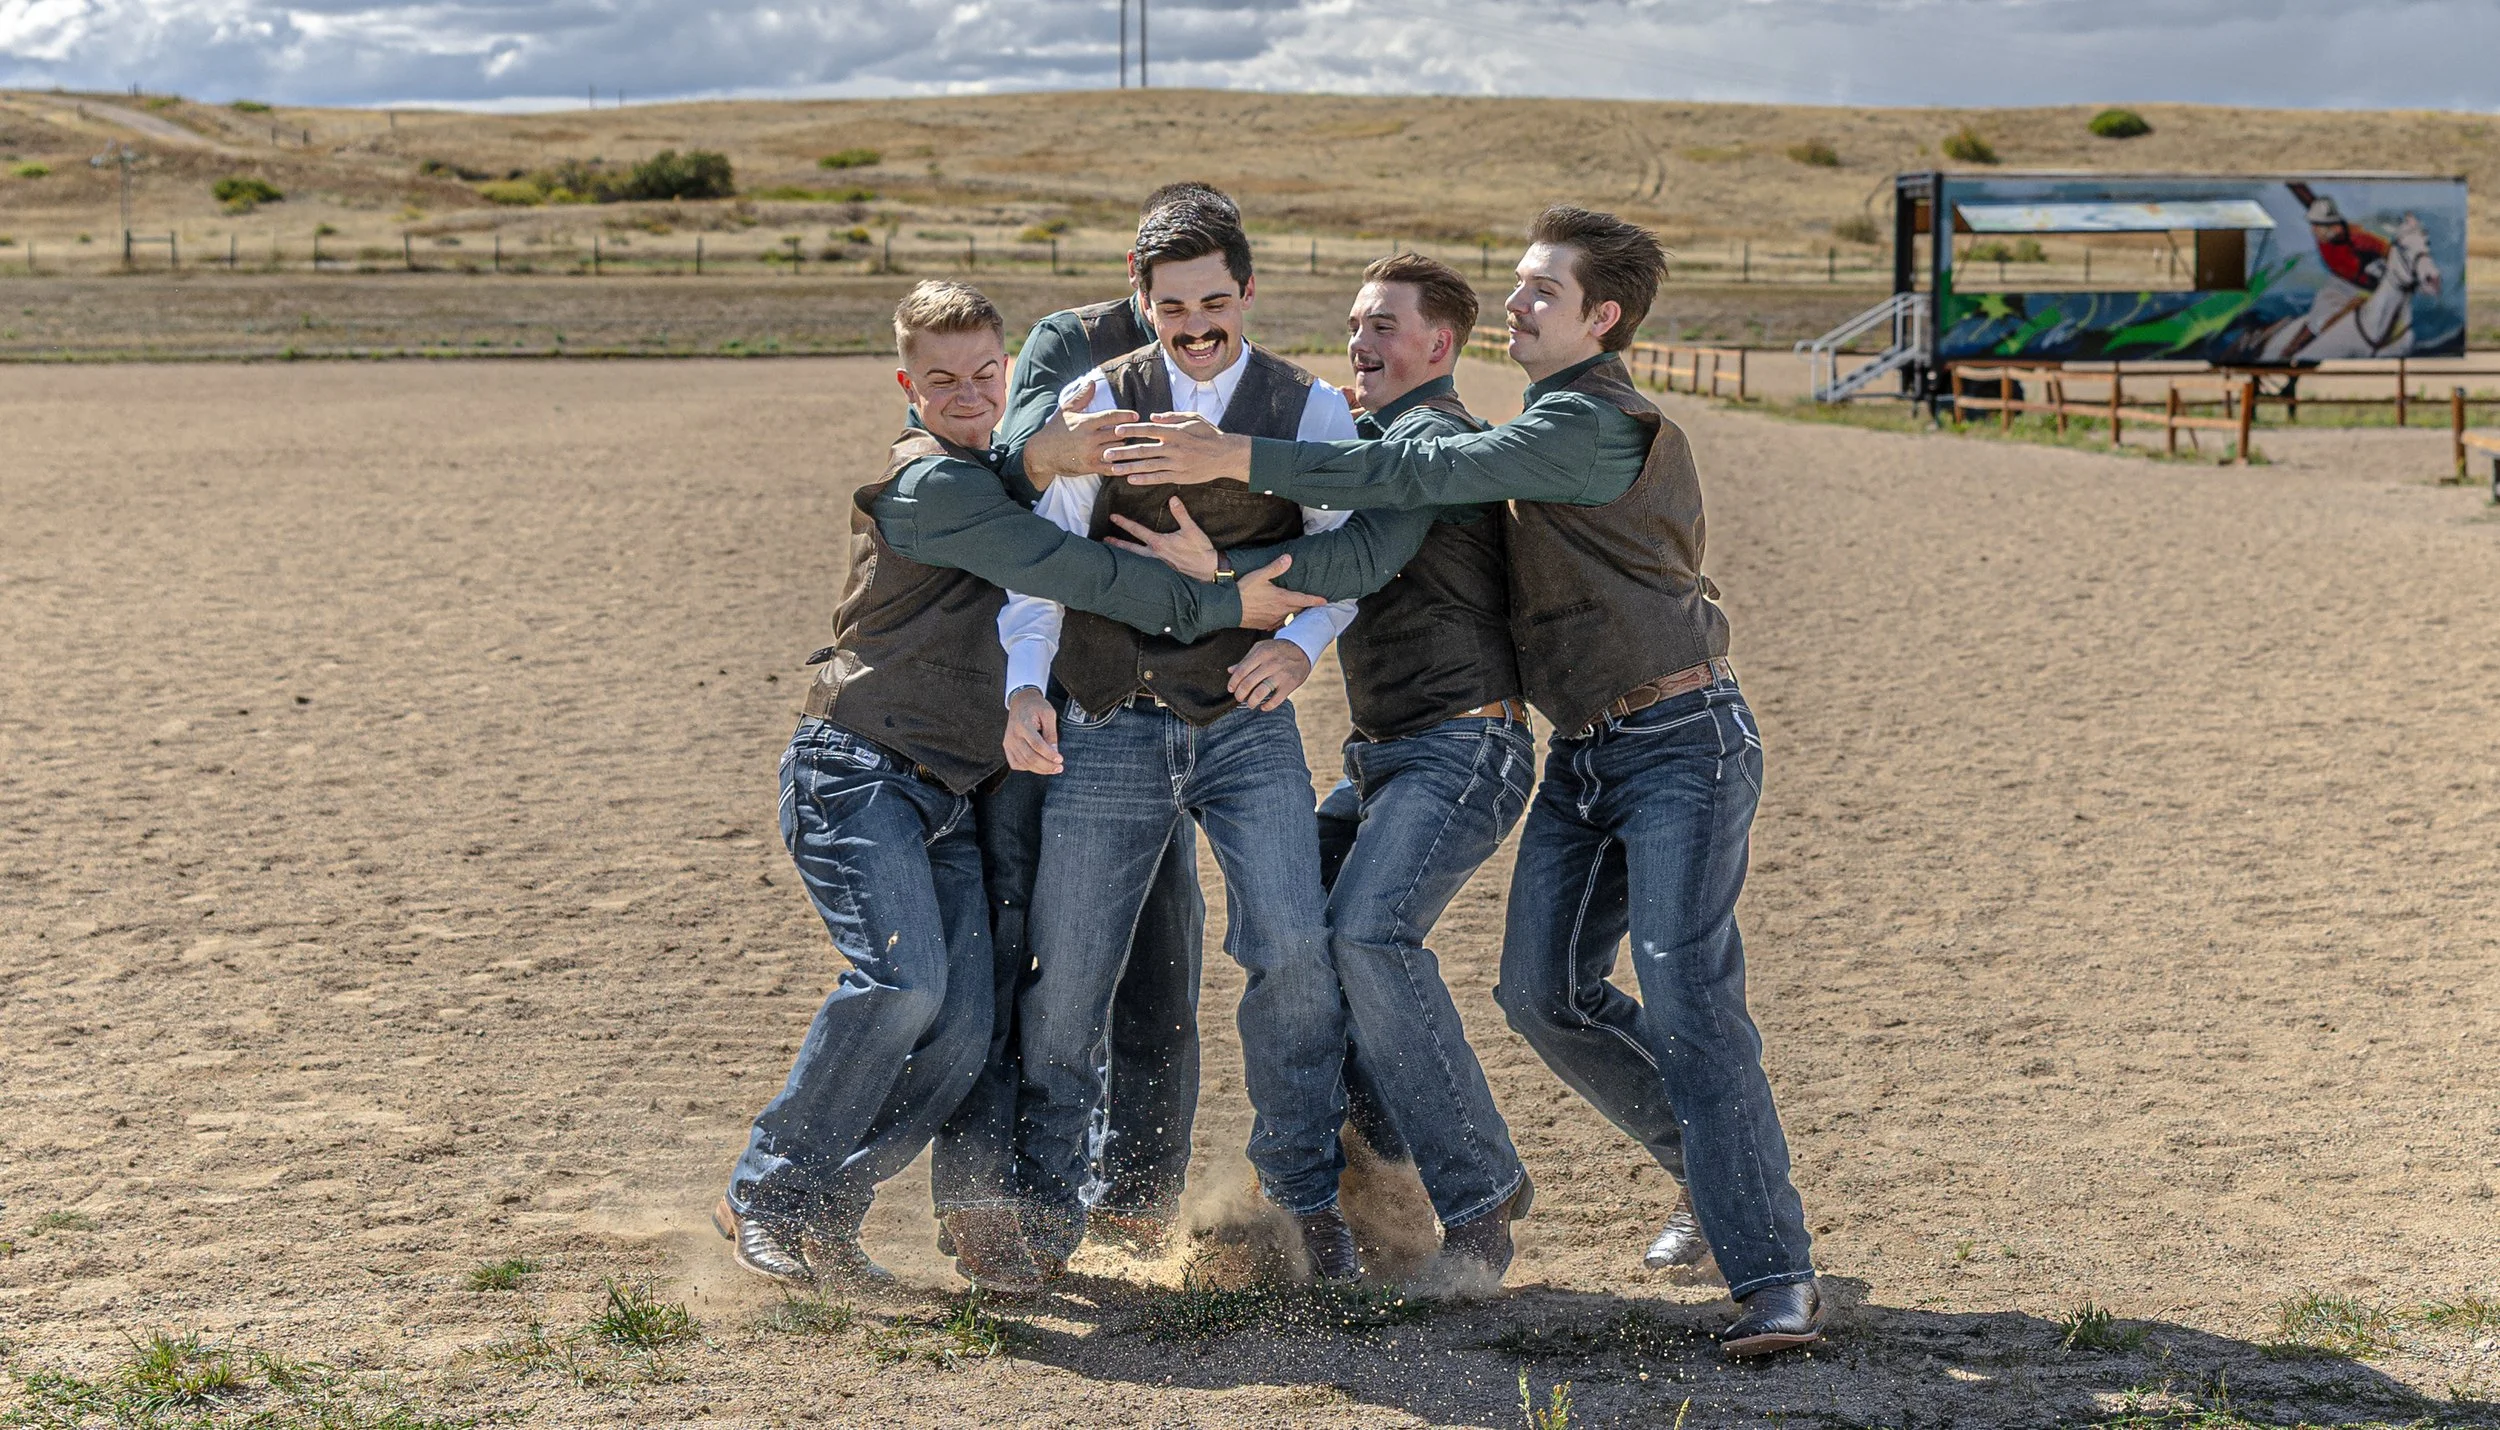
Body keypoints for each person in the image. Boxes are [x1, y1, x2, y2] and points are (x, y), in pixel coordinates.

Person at [1098, 205, 1827, 1354]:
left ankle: (1767, 1272)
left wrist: (1230, 502)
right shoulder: (1509, 424)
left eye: (1541, 290)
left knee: (1677, 992)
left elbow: (1384, 516)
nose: (1518, 303)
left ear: (1604, 316)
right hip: (1583, 750)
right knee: (1518, 988)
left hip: (1673, 737)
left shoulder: (1584, 423)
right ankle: (1350, 1192)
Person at [713, 280, 1322, 1294]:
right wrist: (1229, 598)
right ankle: (766, 1191)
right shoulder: (930, 486)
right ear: (908, 384)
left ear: (1007, 376)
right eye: (939, 377)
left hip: (954, 794)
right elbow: (1071, 568)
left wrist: (1048, 455)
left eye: (982, 374)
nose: (964, 392)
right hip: (860, 770)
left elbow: (1018, 471)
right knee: (902, 985)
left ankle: (828, 1203)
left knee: (955, 1031)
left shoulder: (993, 465)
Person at [999, 201, 1374, 1281]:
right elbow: (1040, 565)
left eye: (1215, 302)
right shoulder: (1093, 402)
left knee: (1292, 952)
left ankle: (1305, 1200)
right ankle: (1046, 1208)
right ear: (1142, 299)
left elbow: (1341, 557)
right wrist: (1028, 687)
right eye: (1174, 307)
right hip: (1109, 717)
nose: (1196, 324)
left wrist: (1302, 647)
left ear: (1246, 293)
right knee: (1069, 974)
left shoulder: (1304, 407)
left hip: (1247, 722)